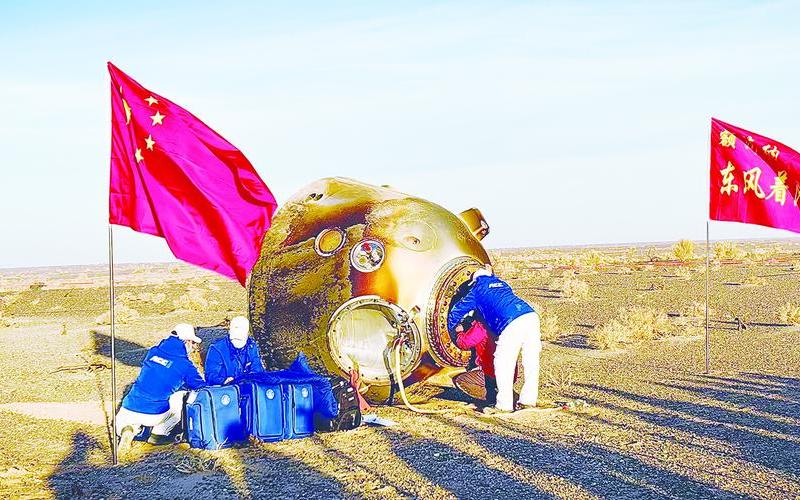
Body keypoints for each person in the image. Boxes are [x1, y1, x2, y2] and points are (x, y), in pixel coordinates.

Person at [448, 265, 540, 414]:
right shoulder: (502, 284)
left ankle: (503, 406)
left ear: (474, 280)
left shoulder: (477, 289)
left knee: (503, 361)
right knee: (531, 361)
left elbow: (458, 310)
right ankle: (528, 401)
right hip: (530, 315)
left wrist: (450, 327)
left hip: (511, 321)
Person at [116, 323, 205, 452]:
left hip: (129, 406)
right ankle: (159, 433)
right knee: (181, 396)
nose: (193, 347)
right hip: (155, 414)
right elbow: (200, 386)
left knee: (126, 419)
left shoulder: (153, 351)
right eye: (192, 343)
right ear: (186, 342)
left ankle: (128, 429)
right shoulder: (184, 365)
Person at [204, 316, 266, 385]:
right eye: (235, 339)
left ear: (247, 334)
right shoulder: (216, 349)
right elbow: (210, 375)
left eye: (240, 340)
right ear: (229, 331)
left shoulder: (251, 346)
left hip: (248, 386)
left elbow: (257, 367)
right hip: (224, 390)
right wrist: (223, 381)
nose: (238, 341)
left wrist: (252, 377)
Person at [454, 313, 498, 406]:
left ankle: (491, 398)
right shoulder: (499, 324)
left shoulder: (481, 327)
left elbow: (464, 343)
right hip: (508, 372)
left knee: (461, 380)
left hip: (491, 371)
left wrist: (459, 332)